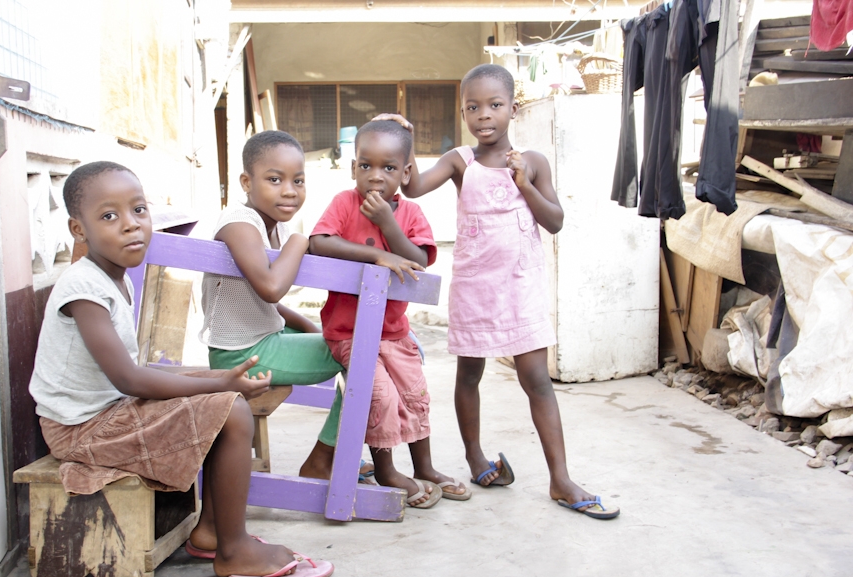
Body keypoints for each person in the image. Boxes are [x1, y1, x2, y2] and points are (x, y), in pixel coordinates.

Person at [29, 160, 334, 577]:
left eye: (139, 210)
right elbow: (130, 380)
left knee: (224, 398)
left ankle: (211, 531)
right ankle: (234, 550)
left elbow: (132, 376)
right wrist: (219, 385)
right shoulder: (83, 288)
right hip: (81, 430)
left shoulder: (114, 278)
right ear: (78, 230)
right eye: (109, 216)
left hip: (106, 412)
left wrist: (219, 383)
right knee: (231, 409)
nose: (131, 224)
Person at [374, 64, 619, 519]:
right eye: (473, 107)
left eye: (494, 105)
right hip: (475, 288)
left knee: (537, 380)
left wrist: (524, 183)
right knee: (469, 374)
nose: (483, 115)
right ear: (463, 112)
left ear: (513, 109)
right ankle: (475, 458)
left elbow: (555, 221)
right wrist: (402, 138)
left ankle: (560, 478)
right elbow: (412, 186)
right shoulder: (459, 161)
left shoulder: (533, 162)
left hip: (521, 288)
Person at [309, 120, 471, 508]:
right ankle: (386, 470)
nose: (376, 176)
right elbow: (319, 243)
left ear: (406, 172)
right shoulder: (343, 204)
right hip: (348, 333)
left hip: (395, 331)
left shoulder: (411, 213)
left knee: (415, 395)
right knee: (379, 396)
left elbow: (419, 260)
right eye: (366, 166)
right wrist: (377, 255)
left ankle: (425, 467)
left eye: (388, 168)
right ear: (353, 168)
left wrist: (387, 224)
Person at [198, 130, 372, 488]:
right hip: (243, 354)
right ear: (247, 182)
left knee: (360, 346)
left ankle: (339, 451)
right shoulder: (239, 222)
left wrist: (311, 329)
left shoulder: (272, 225)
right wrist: (299, 241)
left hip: (262, 338)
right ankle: (324, 459)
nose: (290, 191)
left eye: (298, 180)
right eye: (275, 180)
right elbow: (270, 287)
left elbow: (269, 304)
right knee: (369, 354)